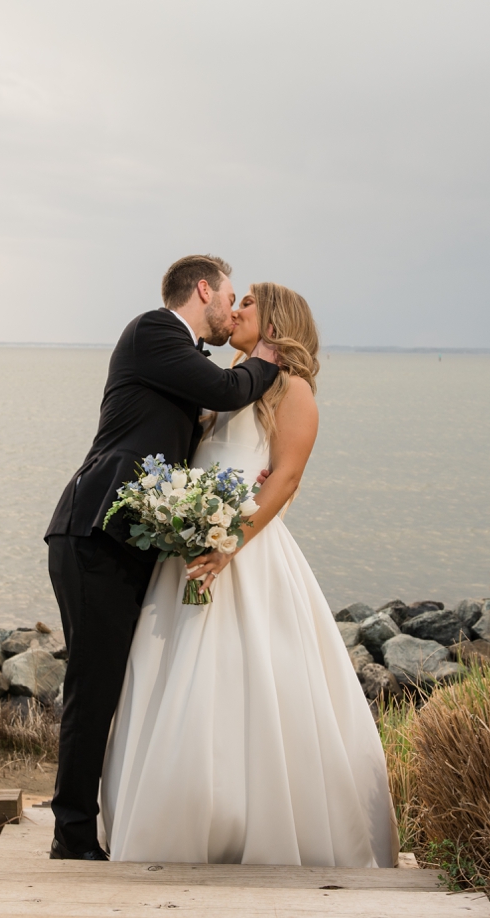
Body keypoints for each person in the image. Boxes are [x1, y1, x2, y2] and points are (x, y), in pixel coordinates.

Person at [100, 281, 397, 867]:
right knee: (170, 679)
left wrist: (229, 543)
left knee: (255, 681)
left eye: (247, 304)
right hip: (192, 555)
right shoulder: (228, 387)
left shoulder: (295, 389)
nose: (234, 312)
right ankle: (174, 817)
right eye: (234, 302)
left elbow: (284, 478)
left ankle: (255, 827)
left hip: (245, 556)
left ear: (277, 319)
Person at [44, 254, 280, 860]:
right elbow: (230, 387)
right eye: (229, 296)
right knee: (94, 686)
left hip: (124, 542)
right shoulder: (153, 331)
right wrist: (273, 355)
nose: (232, 309)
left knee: (118, 683)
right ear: (203, 290)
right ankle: (71, 837)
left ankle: (103, 821)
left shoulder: (177, 357)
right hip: (93, 533)